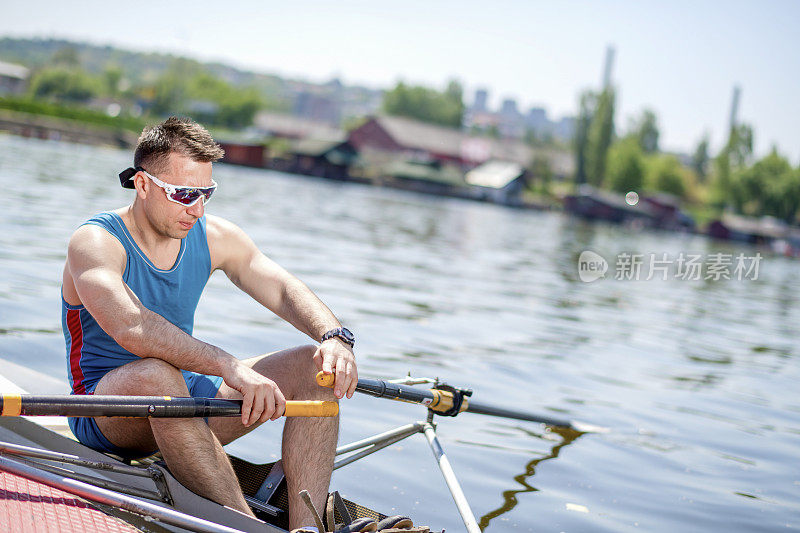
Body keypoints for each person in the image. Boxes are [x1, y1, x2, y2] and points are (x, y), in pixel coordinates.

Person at [61, 116, 357, 530]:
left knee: (313, 366)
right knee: (157, 375)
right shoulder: (95, 243)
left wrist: (334, 337)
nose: (196, 209)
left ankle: (305, 526)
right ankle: (242, 523)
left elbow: (282, 287)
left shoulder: (214, 235)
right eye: (183, 194)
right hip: (105, 411)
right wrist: (229, 366)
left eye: (206, 193)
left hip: (185, 397)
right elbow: (133, 328)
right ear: (143, 185)